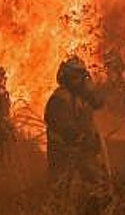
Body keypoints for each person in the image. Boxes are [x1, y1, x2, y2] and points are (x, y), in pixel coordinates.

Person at [43, 55, 104, 187]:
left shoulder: (82, 95)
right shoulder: (60, 98)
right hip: (62, 150)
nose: (79, 81)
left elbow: (98, 103)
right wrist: (79, 137)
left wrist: (91, 90)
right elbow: (61, 125)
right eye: (75, 78)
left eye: (81, 78)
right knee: (60, 184)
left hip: (82, 149)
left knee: (95, 181)